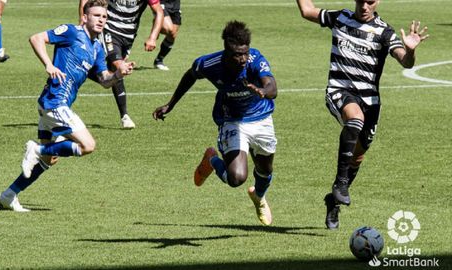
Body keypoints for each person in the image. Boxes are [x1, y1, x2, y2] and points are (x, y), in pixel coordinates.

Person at [295, 0, 429, 229]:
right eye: (361, 0)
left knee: (356, 158)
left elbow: (405, 62)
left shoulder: (384, 32)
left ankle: (334, 202)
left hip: (371, 102)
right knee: (354, 119)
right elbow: (307, 11)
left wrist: (410, 51)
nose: (364, 6)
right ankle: (340, 184)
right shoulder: (340, 18)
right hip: (339, 91)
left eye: (370, 1)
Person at [0, 0, 134, 212]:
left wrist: (118, 74)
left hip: (51, 105)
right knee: (87, 146)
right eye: (97, 15)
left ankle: (9, 194)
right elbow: (36, 38)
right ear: (85, 17)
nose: (101, 20)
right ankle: (36, 148)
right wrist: (48, 64)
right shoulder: (71, 32)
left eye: (104, 17)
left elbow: (105, 81)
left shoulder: (97, 48)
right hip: (55, 102)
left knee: (49, 159)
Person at [153, 21, 278, 226]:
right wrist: (171, 104)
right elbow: (190, 75)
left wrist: (264, 91)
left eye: (245, 53)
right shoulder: (210, 64)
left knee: (265, 170)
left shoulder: (255, 60)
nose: (242, 59)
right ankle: (212, 160)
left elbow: (272, 86)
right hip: (231, 120)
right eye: (237, 54)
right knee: (236, 178)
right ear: (226, 50)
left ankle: (259, 197)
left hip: (261, 118)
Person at [79, 0, 164, 129]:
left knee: (112, 70)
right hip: (108, 29)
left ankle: (88, 71)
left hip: (129, 35)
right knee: (117, 65)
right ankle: (125, 115)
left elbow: (159, 12)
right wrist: (83, 20)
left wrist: (153, 37)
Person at [153, 0, 181, 71]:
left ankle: (159, 60)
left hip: (175, 4)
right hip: (161, 3)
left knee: (172, 34)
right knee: (168, 28)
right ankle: (156, 26)